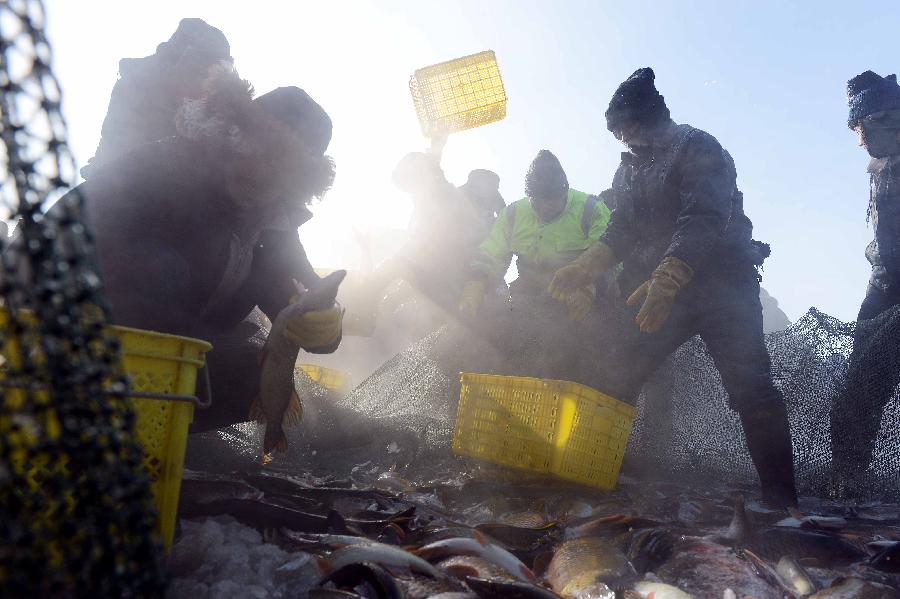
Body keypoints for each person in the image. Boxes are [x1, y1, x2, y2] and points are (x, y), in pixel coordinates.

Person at [548, 68, 798, 508]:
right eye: (615, 131)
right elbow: (621, 229)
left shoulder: (697, 146)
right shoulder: (627, 171)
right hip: (660, 294)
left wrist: (669, 275)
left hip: (724, 289)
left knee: (752, 389)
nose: (622, 137)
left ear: (649, 118)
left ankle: (782, 501)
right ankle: (595, 480)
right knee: (617, 370)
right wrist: (589, 265)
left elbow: (703, 216)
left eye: (626, 126)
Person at [58, 65, 343, 432]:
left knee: (257, 377)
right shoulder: (164, 169)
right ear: (232, 134)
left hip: (174, 356)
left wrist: (326, 326)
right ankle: (88, 421)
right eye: (260, 150)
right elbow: (64, 230)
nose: (263, 172)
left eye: (283, 167)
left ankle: (155, 433)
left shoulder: (274, 227)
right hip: (77, 339)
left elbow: (304, 295)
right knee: (160, 270)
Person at [459, 149, 611, 384]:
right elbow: (491, 254)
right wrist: (476, 283)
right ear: (529, 196)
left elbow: (609, 257)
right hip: (530, 295)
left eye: (552, 203)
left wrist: (589, 289)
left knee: (583, 350)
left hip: (579, 295)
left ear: (565, 192)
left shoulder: (591, 209)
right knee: (505, 340)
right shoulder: (512, 214)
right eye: (538, 203)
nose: (545, 209)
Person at [829, 71, 900, 490]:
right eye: (857, 129)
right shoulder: (880, 164)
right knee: (859, 389)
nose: (860, 140)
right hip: (885, 285)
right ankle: (848, 475)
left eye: (865, 128)